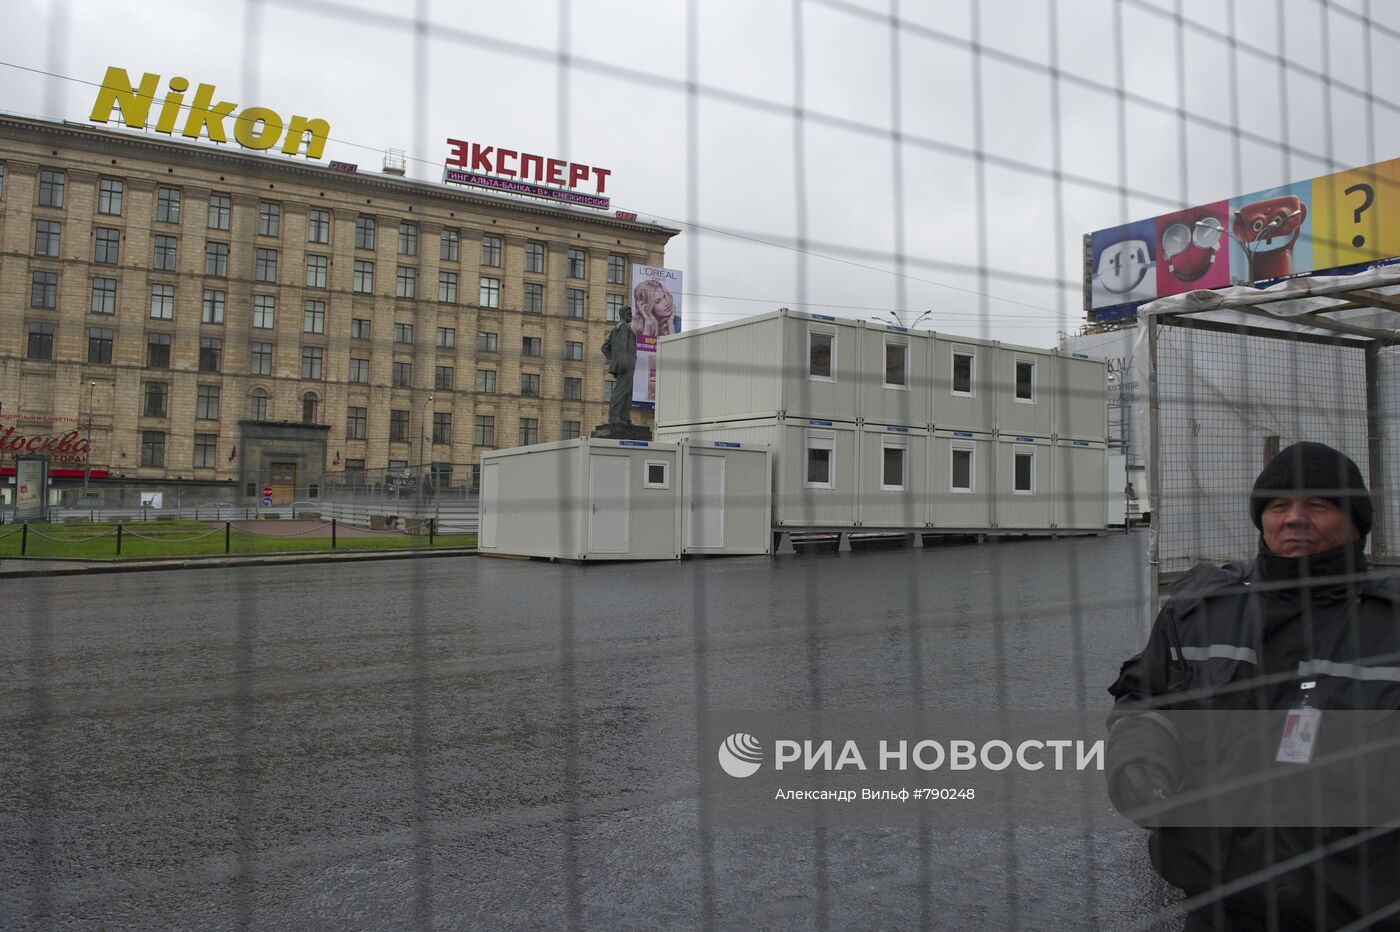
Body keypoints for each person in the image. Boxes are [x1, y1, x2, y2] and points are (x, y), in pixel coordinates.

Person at [1107, 442, 1400, 931]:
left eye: (1319, 505)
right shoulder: (1198, 613)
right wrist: (1136, 764)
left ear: (1357, 523)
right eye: (1279, 506)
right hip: (1219, 905)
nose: (1295, 519)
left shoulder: (1388, 626)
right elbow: (1145, 701)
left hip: (1362, 908)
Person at [601, 305, 636, 426]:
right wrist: (621, 363)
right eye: (629, 313)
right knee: (621, 392)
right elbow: (620, 346)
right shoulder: (623, 328)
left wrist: (614, 361)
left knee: (627, 391)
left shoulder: (618, 327)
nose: (631, 315)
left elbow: (605, 347)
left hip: (625, 365)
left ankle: (624, 417)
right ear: (622, 314)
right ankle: (615, 418)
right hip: (626, 366)